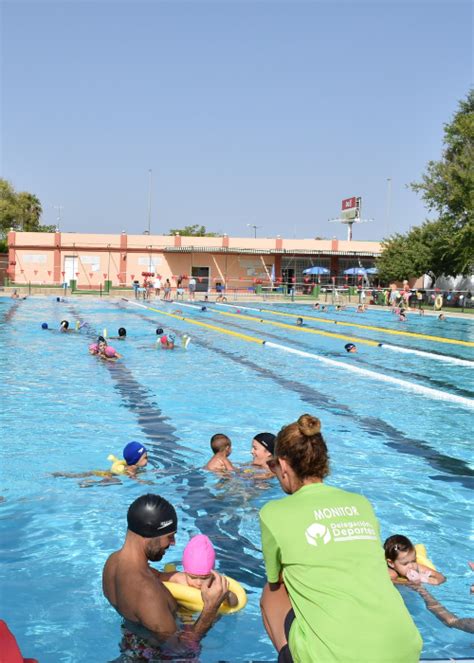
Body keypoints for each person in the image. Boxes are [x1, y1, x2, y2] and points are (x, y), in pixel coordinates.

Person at [259, 414, 422, 663]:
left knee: (272, 591)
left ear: (283, 464)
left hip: (331, 657)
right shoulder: (361, 504)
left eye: (273, 466)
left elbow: (276, 581)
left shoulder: (273, 513)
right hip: (405, 647)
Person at [102, 495, 229, 658]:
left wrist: (190, 577)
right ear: (149, 534)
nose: (173, 542)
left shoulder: (113, 562)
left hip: (131, 647)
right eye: (169, 536)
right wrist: (211, 609)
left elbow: (157, 576)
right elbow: (182, 650)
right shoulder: (147, 591)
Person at [160, 534, 238, 609]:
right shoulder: (179, 578)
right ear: (185, 572)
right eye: (193, 577)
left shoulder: (214, 584)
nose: (199, 582)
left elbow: (234, 604)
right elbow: (156, 577)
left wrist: (227, 594)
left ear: (211, 574)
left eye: (204, 578)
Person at [52, 441, 148, 483]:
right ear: (135, 460)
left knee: (79, 475)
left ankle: (62, 474)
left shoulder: (132, 465)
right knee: (115, 482)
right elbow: (134, 478)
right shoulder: (131, 470)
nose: (147, 459)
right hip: (107, 476)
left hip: (103, 472)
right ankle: (90, 482)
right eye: (145, 458)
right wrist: (144, 481)